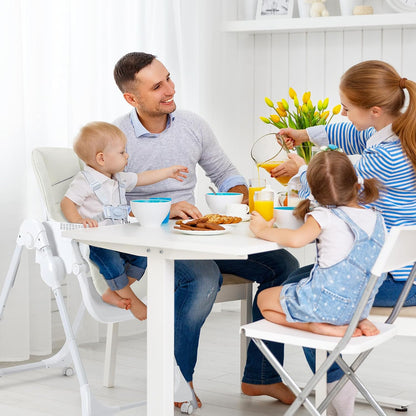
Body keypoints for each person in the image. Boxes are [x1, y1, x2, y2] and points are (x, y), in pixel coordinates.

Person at [112, 51, 299, 407]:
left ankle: (261, 377)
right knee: (201, 279)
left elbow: (226, 172)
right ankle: (179, 384)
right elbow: (105, 203)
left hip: (196, 232)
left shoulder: (191, 125)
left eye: (168, 77)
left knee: (284, 267)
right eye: (157, 86)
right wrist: (166, 210)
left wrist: (236, 197)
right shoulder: (117, 137)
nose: (170, 89)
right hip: (148, 240)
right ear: (131, 98)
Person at [277, 60, 416, 416]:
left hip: (395, 283)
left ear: (373, 111)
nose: (342, 112)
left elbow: (332, 185)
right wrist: (306, 135)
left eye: (347, 107)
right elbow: (345, 132)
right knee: (295, 280)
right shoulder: (399, 131)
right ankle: (275, 379)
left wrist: (300, 171)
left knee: (302, 290)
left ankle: (336, 389)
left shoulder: (386, 158)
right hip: (405, 273)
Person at [251, 149, 386, 416]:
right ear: (355, 183)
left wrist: (262, 229)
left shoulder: (324, 217)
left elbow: (295, 240)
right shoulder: (375, 217)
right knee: (298, 286)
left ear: (313, 190)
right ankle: (354, 320)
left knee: (264, 300)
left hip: (325, 306)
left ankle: (315, 326)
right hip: (360, 305)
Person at [61, 121, 188, 320]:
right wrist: (79, 220)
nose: (126, 156)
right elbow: (67, 203)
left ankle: (112, 292)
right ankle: (135, 304)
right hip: (98, 241)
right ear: (101, 158)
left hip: (119, 238)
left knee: (143, 256)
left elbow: (143, 177)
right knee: (111, 262)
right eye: (122, 152)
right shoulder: (85, 181)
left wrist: (168, 172)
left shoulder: (118, 178)